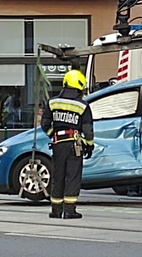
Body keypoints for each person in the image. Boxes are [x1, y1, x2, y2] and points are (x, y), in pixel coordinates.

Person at [41, 69, 94, 219]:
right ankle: (70, 210)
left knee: (58, 176)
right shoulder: (82, 105)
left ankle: (56, 210)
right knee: (72, 176)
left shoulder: (53, 102)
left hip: (58, 144)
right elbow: (88, 129)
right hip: (74, 144)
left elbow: (45, 124)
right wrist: (89, 144)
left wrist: (54, 135)